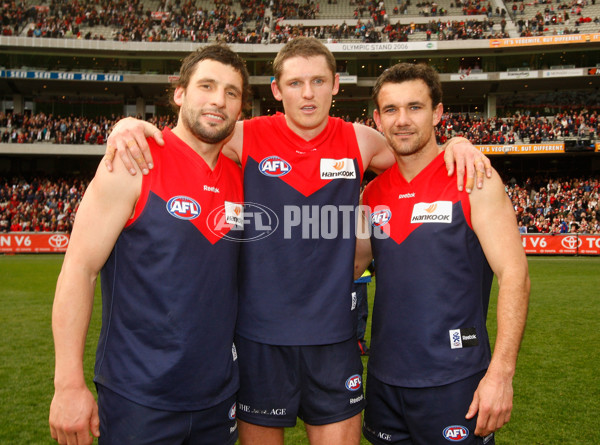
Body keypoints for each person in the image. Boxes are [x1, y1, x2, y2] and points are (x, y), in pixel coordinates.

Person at [103, 37, 492, 445]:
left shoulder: (360, 141)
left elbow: (420, 154)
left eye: (319, 81)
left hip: (333, 339)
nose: (308, 93)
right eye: (295, 83)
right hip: (259, 340)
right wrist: (127, 126)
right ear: (276, 89)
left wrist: (459, 144)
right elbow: (189, 133)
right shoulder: (244, 136)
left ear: (335, 84)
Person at [49, 44, 250, 445]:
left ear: (241, 108)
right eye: (206, 86)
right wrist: (68, 384)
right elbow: (79, 269)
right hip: (138, 396)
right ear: (179, 93)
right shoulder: (132, 163)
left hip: (219, 398)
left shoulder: (246, 176)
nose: (218, 100)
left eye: (231, 92)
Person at [355, 63, 530, 445]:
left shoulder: (475, 180)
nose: (402, 120)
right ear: (377, 120)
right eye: (391, 110)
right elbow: (349, 264)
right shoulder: (371, 196)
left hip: (455, 378)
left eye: (415, 107)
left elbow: (515, 275)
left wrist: (500, 374)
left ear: (437, 113)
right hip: (385, 380)